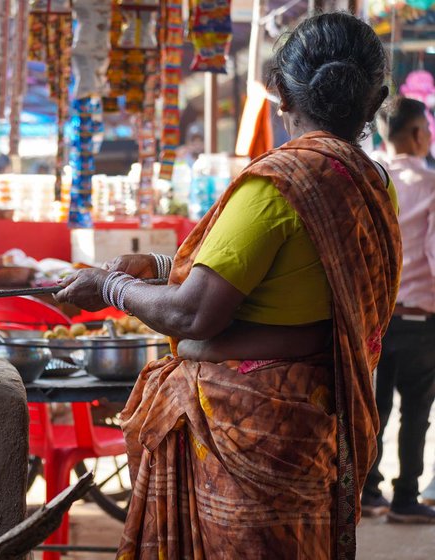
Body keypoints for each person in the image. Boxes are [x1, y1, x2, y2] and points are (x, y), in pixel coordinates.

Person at [56, 12, 400, 557]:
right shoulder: (373, 184)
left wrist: (109, 287)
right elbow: (284, 269)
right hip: (314, 425)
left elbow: (194, 316)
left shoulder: (281, 184)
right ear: (376, 96)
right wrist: (164, 265)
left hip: (246, 429)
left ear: (281, 94)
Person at [361, 97, 435, 522]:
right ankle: (405, 497)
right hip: (419, 321)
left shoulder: (373, 181)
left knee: (376, 408)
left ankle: (369, 494)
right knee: (416, 411)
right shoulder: (429, 186)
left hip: (376, 317)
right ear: (417, 135)